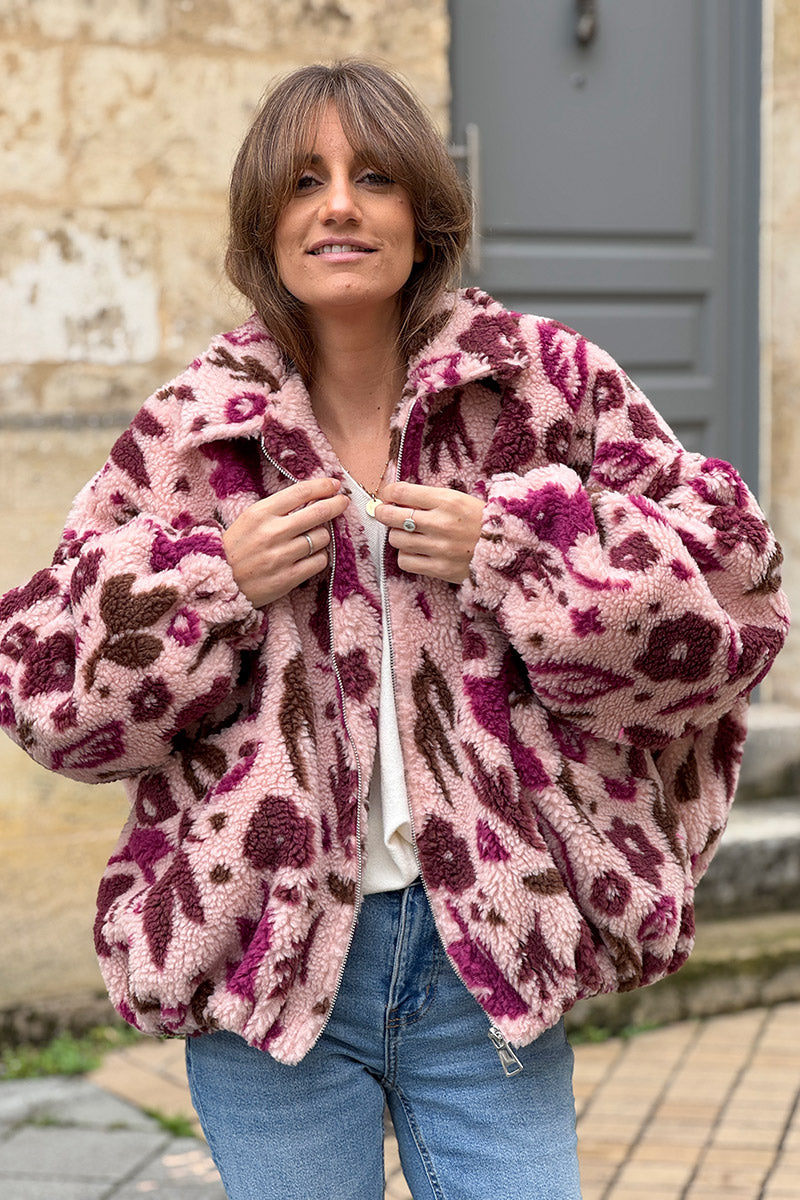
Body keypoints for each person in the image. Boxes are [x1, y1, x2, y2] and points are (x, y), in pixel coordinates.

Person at [0, 60, 789, 1200]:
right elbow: (44, 693)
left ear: (422, 213)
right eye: (304, 179)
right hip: (265, 962)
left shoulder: (538, 386)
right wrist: (213, 583)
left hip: (487, 952)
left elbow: (736, 595)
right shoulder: (195, 430)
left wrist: (520, 549)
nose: (338, 205)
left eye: (372, 176)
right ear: (261, 222)